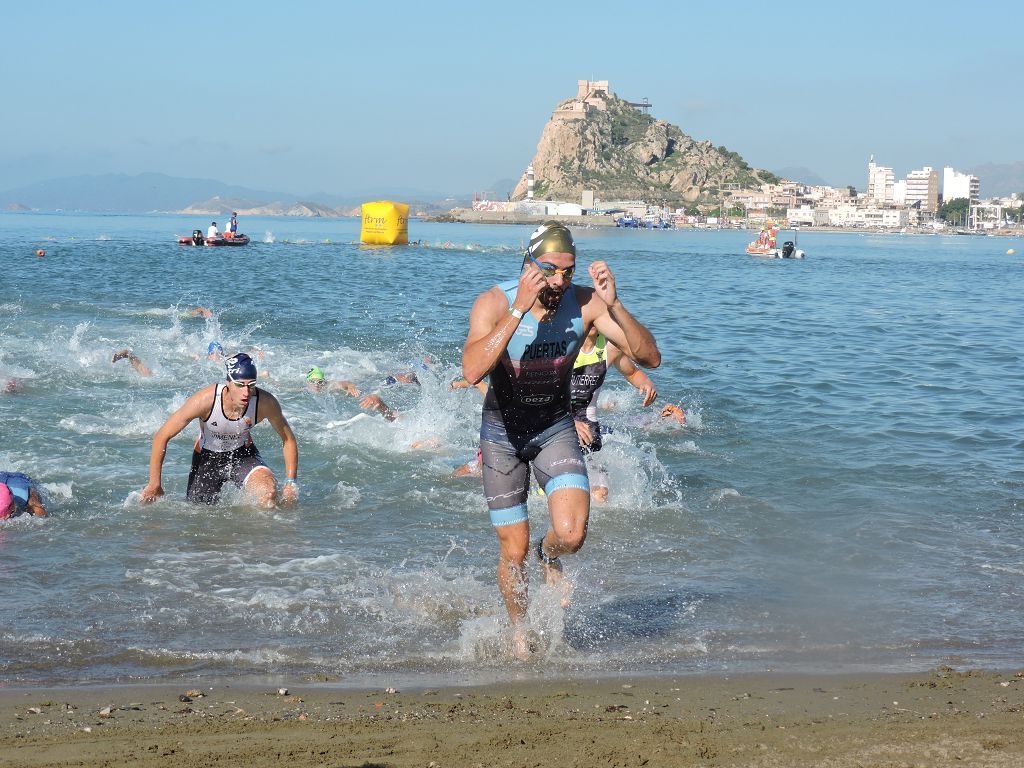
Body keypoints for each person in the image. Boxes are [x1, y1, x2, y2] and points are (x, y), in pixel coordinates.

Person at [461, 220, 660, 657]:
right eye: (550, 270)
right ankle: (520, 630)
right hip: (502, 434)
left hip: (554, 428)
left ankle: (548, 555)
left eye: (568, 271)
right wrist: (518, 309)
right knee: (512, 551)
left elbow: (650, 357)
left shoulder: (586, 303)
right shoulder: (494, 302)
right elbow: (472, 370)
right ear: (527, 263)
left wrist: (618, 306)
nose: (558, 281)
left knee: (571, 535)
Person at [140, 353, 298, 508]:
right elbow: (162, 436)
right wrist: (155, 484)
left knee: (269, 496)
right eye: (240, 385)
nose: (246, 392)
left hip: (243, 455)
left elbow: (288, 439)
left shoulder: (265, 402)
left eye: (251, 385)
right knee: (199, 516)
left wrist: (291, 482)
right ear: (228, 383)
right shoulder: (205, 400)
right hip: (207, 459)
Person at [571, 326, 658, 503]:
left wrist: (646, 384)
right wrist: (569, 422)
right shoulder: (564, 345)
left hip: (590, 427)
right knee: (566, 491)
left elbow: (632, 372)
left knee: (601, 492)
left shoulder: (609, 347)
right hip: (560, 425)